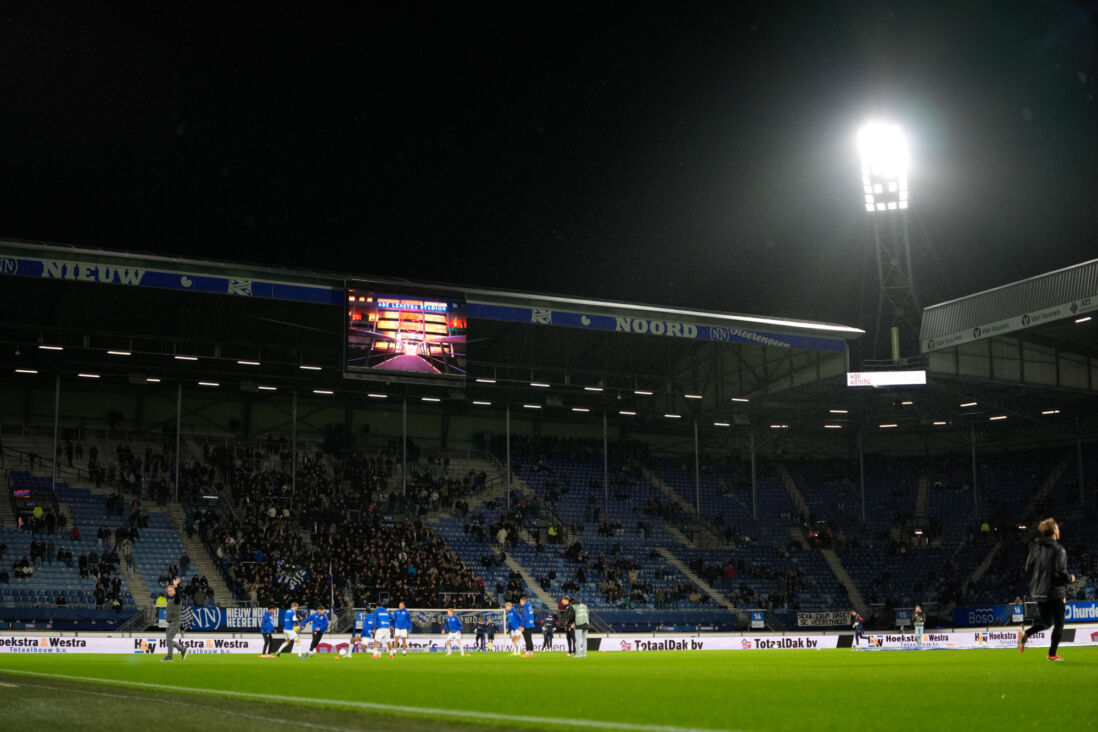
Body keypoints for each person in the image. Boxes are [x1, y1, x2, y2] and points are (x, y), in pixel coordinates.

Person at [1018, 518, 1075, 661]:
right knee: (1059, 624)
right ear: (1054, 531)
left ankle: (1027, 634)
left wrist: (1039, 580)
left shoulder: (1034, 546)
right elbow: (1062, 572)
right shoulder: (1059, 549)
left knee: (1046, 622)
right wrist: (1070, 579)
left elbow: (1027, 568)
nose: (1058, 530)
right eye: (1057, 527)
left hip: (1038, 591)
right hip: (1055, 592)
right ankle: (1052, 654)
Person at [162, 578, 188, 662]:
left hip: (175, 622)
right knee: (169, 640)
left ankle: (170, 657)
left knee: (169, 639)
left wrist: (175, 586)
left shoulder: (177, 599)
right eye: (168, 591)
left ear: (175, 591)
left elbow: (178, 595)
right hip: (170, 623)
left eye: (171, 590)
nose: (169, 592)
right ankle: (183, 650)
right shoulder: (170, 600)